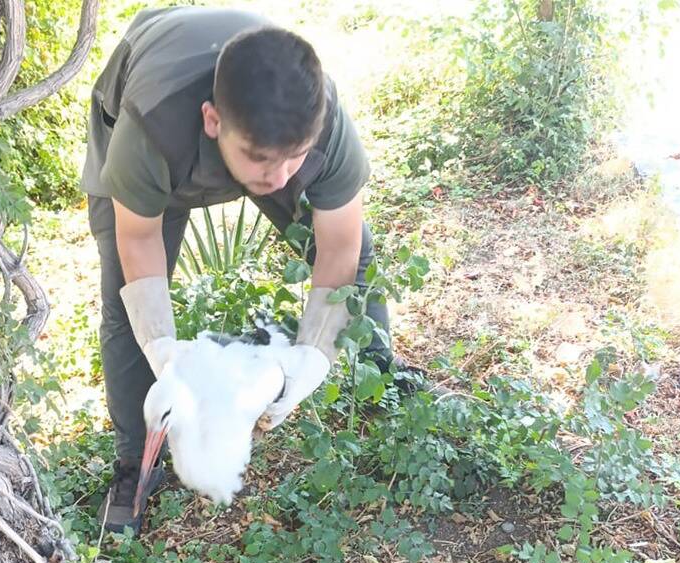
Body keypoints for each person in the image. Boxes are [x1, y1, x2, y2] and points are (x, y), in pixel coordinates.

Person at [82, 6, 427, 535]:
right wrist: (162, 349)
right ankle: (135, 464)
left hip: (252, 125)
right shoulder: (149, 129)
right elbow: (138, 238)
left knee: (359, 255)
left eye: (296, 159)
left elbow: (339, 246)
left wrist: (313, 355)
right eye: (264, 161)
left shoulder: (320, 124)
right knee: (125, 301)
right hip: (158, 128)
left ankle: (381, 378)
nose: (281, 177)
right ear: (212, 121)